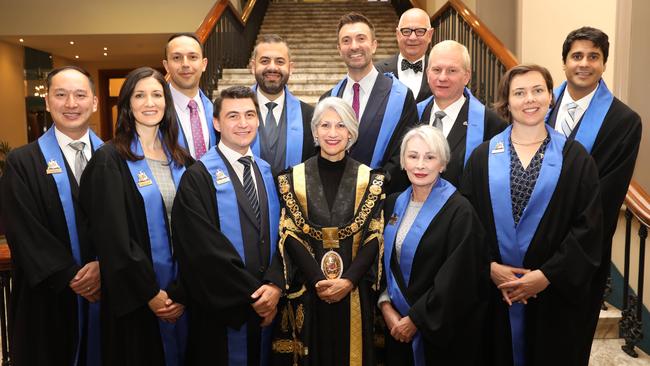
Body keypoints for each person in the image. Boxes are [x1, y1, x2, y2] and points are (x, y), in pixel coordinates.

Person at [460, 64, 603, 366]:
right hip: (495, 294)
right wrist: (489, 267)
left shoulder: (576, 159)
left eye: (538, 90)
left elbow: (587, 229)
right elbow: (465, 224)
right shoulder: (482, 157)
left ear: (551, 97)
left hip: (551, 297)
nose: (530, 99)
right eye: (520, 92)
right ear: (506, 101)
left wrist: (546, 276)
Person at [80, 67, 191, 366]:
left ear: (167, 102)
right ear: (127, 105)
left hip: (183, 294)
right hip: (137, 300)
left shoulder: (182, 159)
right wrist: (151, 293)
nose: (150, 102)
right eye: (140, 95)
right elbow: (113, 237)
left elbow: (197, 229)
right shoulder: (110, 160)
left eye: (157, 94)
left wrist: (182, 291)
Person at [545, 27, 642, 361]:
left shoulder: (624, 121)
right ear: (564, 62)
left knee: (568, 342)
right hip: (527, 250)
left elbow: (605, 195)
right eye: (577, 56)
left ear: (604, 63)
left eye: (593, 57)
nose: (584, 64)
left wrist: (558, 240)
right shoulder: (538, 106)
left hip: (579, 253)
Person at [171, 86, 283, 365]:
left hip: (267, 304)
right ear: (217, 123)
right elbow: (203, 251)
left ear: (258, 120)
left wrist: (275, 285)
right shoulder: (198, 177)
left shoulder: (266, 172)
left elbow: (282, 234)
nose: (243, 123)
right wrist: (254, 298)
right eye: (233, 116)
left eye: (249, 114)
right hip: (222, 313)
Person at [272, 97, 385, 366]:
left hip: (354, 291)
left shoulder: (370, 180)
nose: (332, 133)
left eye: (340, 125)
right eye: (325, 125)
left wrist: (348, 281)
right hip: (310, 290)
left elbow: (374, 234)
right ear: (314, 132)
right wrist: (317, 279)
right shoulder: (293, 179)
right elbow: (289, 233)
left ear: (351, 133)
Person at [0, 66, 101, 365]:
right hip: (48, 297)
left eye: (80, 95)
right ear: (47, 102)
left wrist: (104, 265)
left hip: (108, 291)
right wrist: (70, 275)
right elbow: (23, 229)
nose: (71, 104)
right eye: (61, 94)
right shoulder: (23, 161)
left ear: (94, 102)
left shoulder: (115, 157)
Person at [379, 125, 488, 365]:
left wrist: (416, 319)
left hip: (441, 335)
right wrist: (385, 305)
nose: (420, 165)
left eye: (430, 157)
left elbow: (458, 279)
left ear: (443, 164)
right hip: (395, 326)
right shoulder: (392, 205)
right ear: (403, 163)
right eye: (413, 156)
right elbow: (381, 263)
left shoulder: (460, 212)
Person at [321, 12, 418, 193]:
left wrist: (372, 189)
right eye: (346, 40)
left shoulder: (401, 96)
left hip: (381, 200)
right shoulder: (328, 99)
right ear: (339, 49)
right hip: (334, 198)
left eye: (361, 38)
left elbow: (404, 155)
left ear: (374, 45)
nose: (354, 46)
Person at [417, 40, 507, 188]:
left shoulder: (491, 125)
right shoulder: (413, 114)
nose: (442, 77)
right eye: (436, 70)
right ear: (428, 74)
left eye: (452, 70)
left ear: (466, 76)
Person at [250, 34, 316, 176]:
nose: (272, 67)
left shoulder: (309, 116)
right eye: (265, 61)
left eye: (280, 62)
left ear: (290, 68)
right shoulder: (234, 111)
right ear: (253, 66)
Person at [163, 32, 217, 159]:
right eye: (177, 58)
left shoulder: (216, 110)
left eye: (193, 57)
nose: (185, 64)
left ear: (204, 64)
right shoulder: (155, 111)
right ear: (166, 66)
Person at [375, 8, 433, 103]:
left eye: (420, 31)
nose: (413, 37)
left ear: (430, 35)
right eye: (406, 31)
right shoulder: (377, 71)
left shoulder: (440, 72)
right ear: (398, 35)